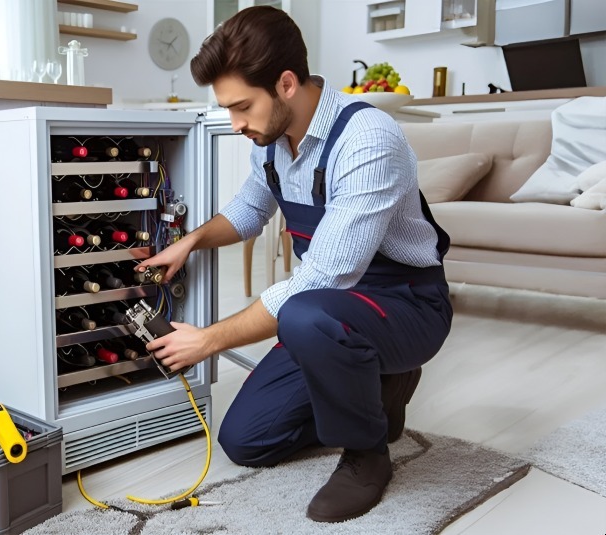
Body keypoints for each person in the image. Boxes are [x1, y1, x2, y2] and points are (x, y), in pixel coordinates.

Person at [136, 6, 453, 523]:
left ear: (286, 83)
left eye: (242, 107)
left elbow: (327, 276)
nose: (235, 124)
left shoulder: (367, 139)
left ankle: (367, 457)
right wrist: (188, 242)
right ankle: (377, 391)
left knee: (305, 313)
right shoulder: (271, 142)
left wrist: (208, 340)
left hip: (406, 305)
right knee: (246, 439)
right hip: (333, 311)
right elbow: (246, 212)